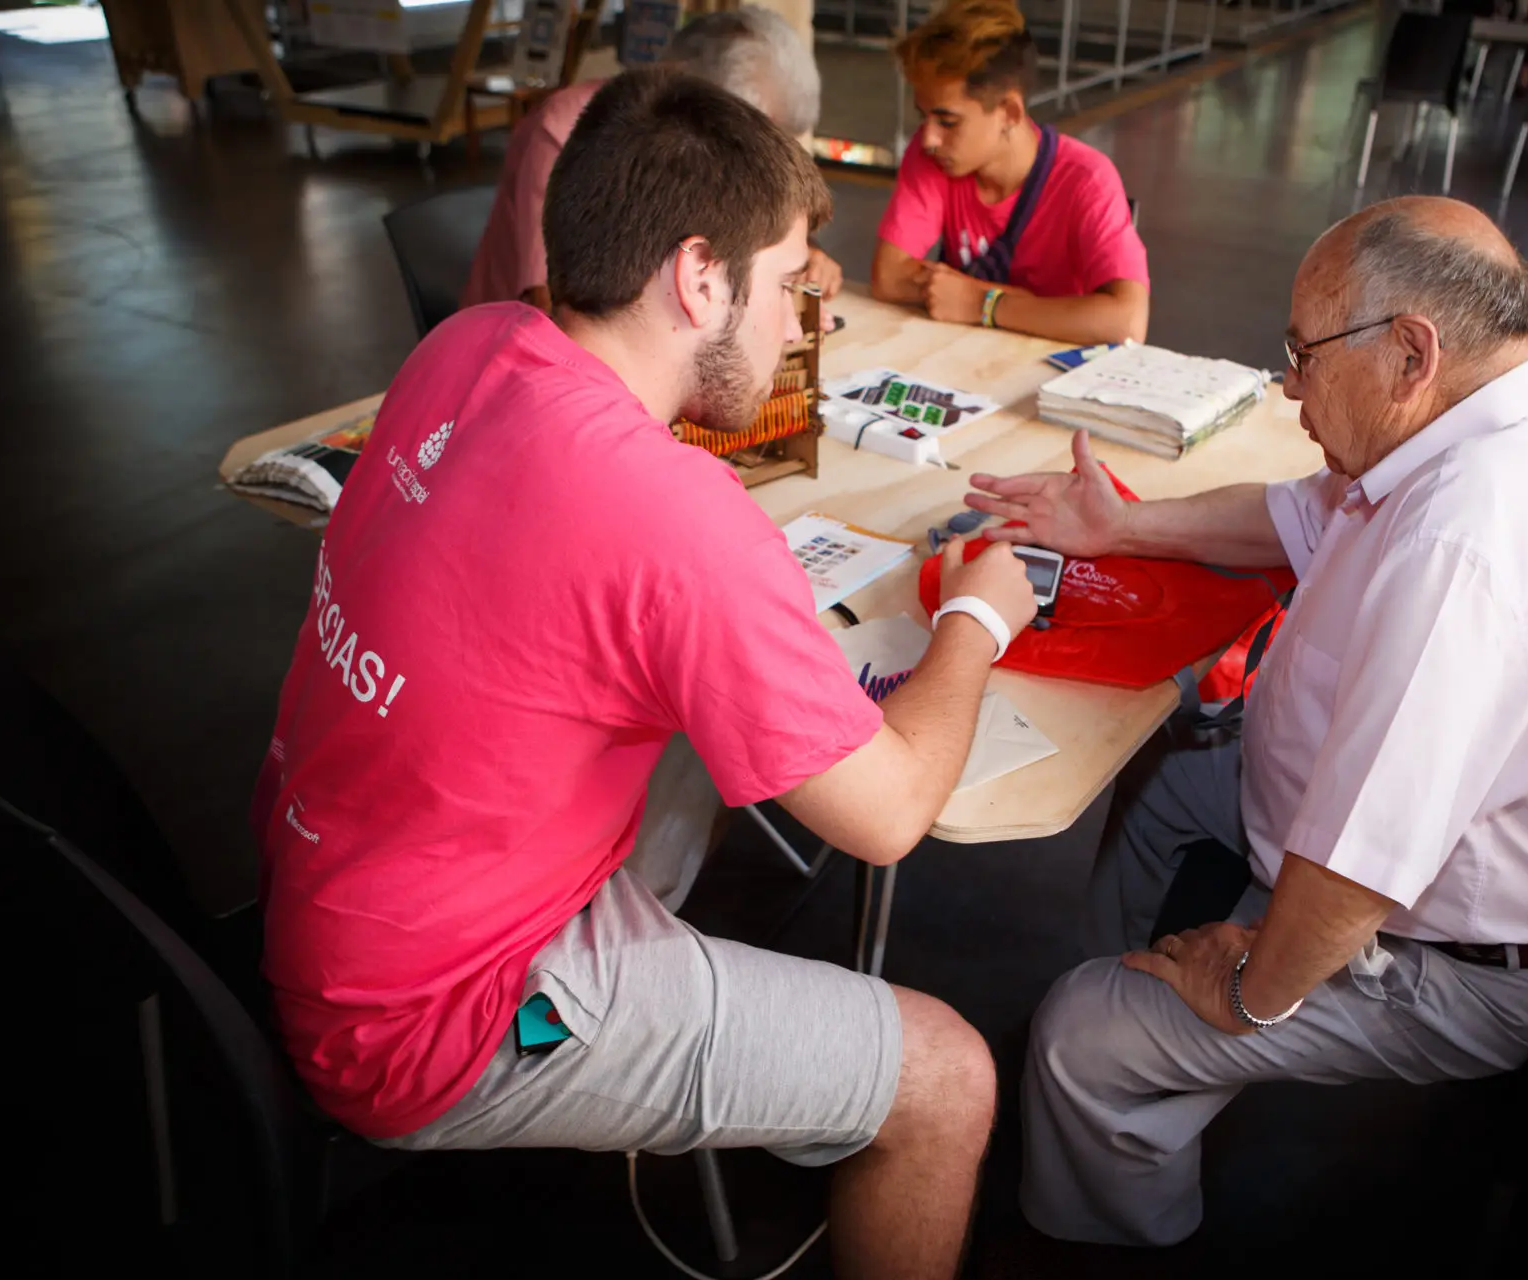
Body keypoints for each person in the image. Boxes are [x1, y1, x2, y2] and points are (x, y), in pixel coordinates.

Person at [255, 69, 1037, 1280]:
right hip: (433, 1020)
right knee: (948, 1078)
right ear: (697, 276)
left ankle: (756, 1061)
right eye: (785, 287)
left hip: (338, 891)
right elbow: (886, 818)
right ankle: (782, 1081)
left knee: (703, 729)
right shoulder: (672, 514)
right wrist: (978, 619)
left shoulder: (469, 342)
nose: (792, 327)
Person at [965, 196, 1528, 1247]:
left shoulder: (1471, 548)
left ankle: (1102, 1183)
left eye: (1304, 353)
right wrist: (1123, 521)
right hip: (1376, 849)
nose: (1288, 384)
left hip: (1452, 957)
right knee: (1172, 767)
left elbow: (1358, 870)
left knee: (1087, 1033)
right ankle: (1130, 1003)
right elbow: (1292, 512)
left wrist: (1248, 993)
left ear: (1410, 350)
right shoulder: (1500, 424)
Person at [461, 6, 843, 312]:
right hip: (520, 353)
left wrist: (802, 255)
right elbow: (549, 304)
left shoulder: (703, 135)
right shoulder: (564, 130)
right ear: (684, 85)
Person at [871, 0, 1149, 345]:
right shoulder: (933, 155)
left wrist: (982, 303)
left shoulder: (1087, 179)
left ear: (1010, 113)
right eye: (923, 115)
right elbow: (888, 277)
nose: (929, 137)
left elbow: (1127, 323)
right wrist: (1049, 310)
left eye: (948, 121)